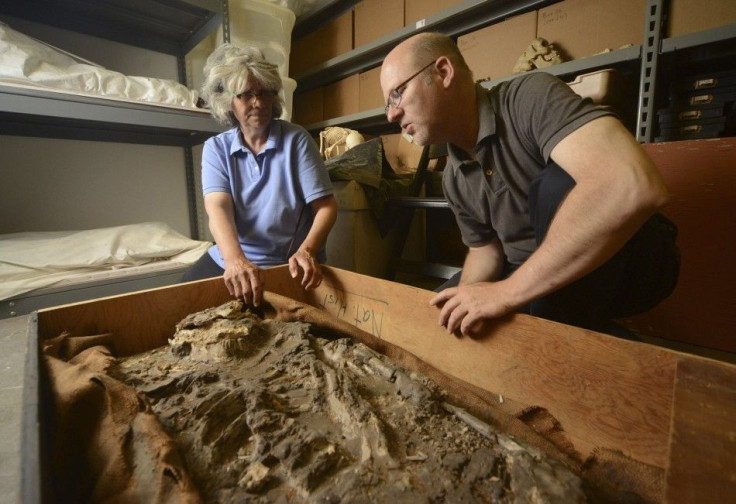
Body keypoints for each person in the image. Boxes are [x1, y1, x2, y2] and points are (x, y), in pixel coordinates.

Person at [380, 33, 679, 337]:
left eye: (397, 94)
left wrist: (506, 294)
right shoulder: (454, 177)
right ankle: (560, 323)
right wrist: (469, 299)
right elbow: (486, 250)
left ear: (442, 72)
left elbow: (629, 184)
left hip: (632, 262)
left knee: (555, 183)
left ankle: (580, 339)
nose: (392, 114)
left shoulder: (529, 97)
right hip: (531, 273)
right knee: (435, 318)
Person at [182, 44, 337, 307]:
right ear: (227, 101)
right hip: (232, 257)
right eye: (247, 94)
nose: (259, 102)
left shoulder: (295, 140)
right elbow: (218, 209)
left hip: (286, 263)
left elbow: (326, 206)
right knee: (175, 304)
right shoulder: (216, 148)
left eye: (266, 93)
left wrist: (308, 251)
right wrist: (235, 261)